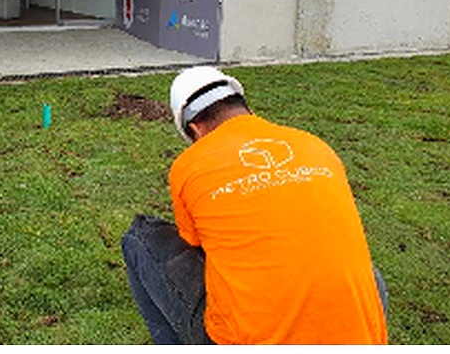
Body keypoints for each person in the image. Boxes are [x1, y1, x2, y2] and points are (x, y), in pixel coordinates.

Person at [121, 66, 389, 345]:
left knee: (140, 236)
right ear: (244, 107)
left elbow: (194, 243)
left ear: (195, 129)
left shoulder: (188, 165)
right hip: (359, 339)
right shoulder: (316, 146)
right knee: (367, 274)